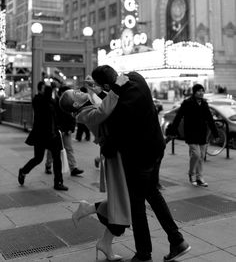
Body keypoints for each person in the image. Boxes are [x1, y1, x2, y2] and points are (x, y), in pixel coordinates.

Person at [91, 65, 191, 262]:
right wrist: (103, 91)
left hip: (138, 158)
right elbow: (120, 94)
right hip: (156, 149)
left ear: (105, 85)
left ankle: (144, 254)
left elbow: (114, 123)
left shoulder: (119, 108)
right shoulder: (137, 78)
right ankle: (177, 240)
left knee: (136, 206)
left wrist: (104, 146)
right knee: (153, 194)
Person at [59, 74, 131, 261]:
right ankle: (98, 229)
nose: (79, 91)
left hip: (118, 153)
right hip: (113, 157)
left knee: (123, 201)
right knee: (122, 202)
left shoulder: (86, 106)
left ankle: (91, 213)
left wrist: (94, 87)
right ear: (75, 105)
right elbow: (103, 112)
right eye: (75, 93)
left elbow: (102, 103)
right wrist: (115, 88)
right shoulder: (83, 114)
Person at [18, 83, 68, 191]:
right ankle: (23, 171)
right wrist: (49, 91)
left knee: (57, 159)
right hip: (41, 135)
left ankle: (58, 182)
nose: (48, 91)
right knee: (38, 158)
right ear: (41, 90)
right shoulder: (37, 100)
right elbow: (43, 105)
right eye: (46, 89)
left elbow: (57, 111)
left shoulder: (51, 101)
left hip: (53, 135)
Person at [169, 83, 219, 188]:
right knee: (196, 155)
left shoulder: (204, 103)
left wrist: (215, 134)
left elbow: (210, 119)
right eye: (199, 91)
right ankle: (191, 173)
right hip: (191, 133)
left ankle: (199, 178)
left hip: (202, 133)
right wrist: (173, 131)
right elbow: (178, 117)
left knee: (201, 156)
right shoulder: (187, 103)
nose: (201, 93)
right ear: (194, 92)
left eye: (202, 91)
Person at [45, 85, 84, 177]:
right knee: (52, 149)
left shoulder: (70, 102)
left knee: (69, 148)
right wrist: (58, 128)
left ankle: (73, 168)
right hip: (57, 130)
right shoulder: (55, 103)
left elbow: (73, 116)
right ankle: (48, 165)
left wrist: (71, 128)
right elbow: (54, 118)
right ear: (62, 93)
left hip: (66, 130)